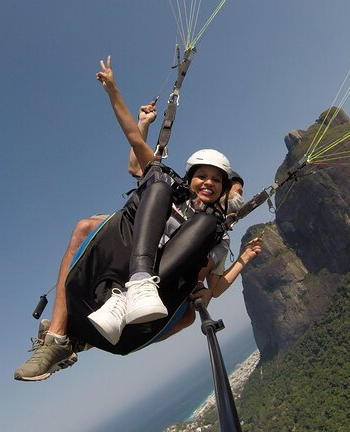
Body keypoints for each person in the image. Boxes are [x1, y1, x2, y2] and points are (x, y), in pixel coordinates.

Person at [14, 56, 261, 381]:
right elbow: (135, 145)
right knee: (112, 209)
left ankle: (92, 330)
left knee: (188, 307)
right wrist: (114, 92)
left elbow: (211, 286)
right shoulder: (172, 188)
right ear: (191, 178)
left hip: (158, 293)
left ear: (224, 192)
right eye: (202, 176)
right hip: (125, 260)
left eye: (218, 182)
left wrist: (241, 259)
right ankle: (58, 339)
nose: (209, 184)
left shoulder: (216, 233)